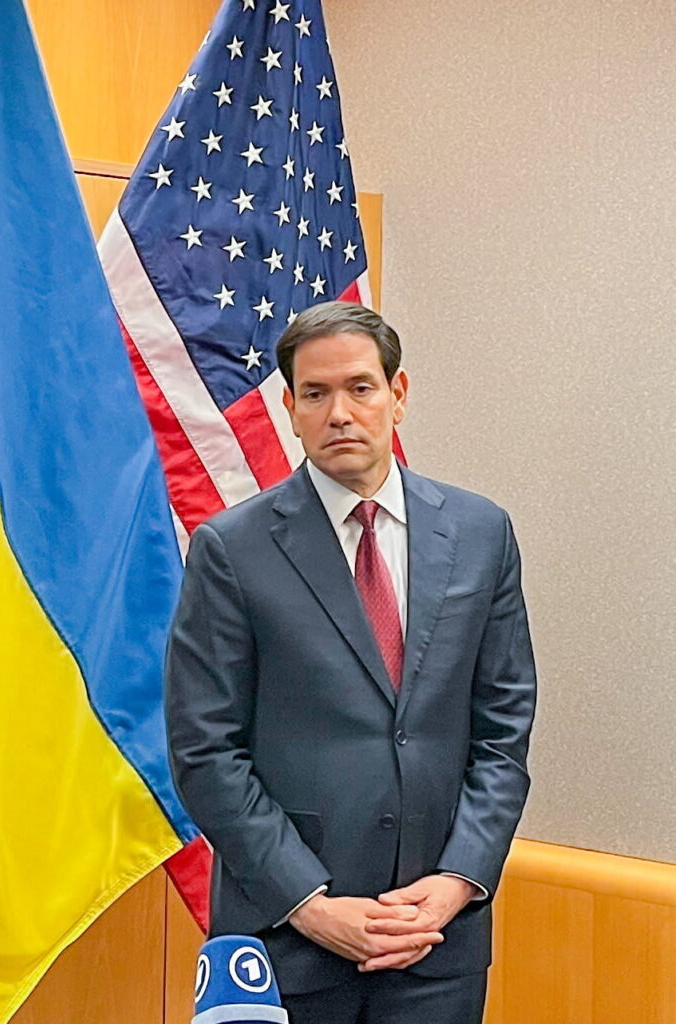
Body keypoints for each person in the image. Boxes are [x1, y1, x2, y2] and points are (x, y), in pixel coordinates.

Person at [166, 301, 537, 1024]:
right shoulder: (231, 551)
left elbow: (503, 732)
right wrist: (309, 903)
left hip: (437, 941)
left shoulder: (481, 533)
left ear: (397, 396)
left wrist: (459, 879)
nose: (340, 412)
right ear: (291, 409)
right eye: (316, 393)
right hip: (286, 940)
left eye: (361, 388)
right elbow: (204, 749)